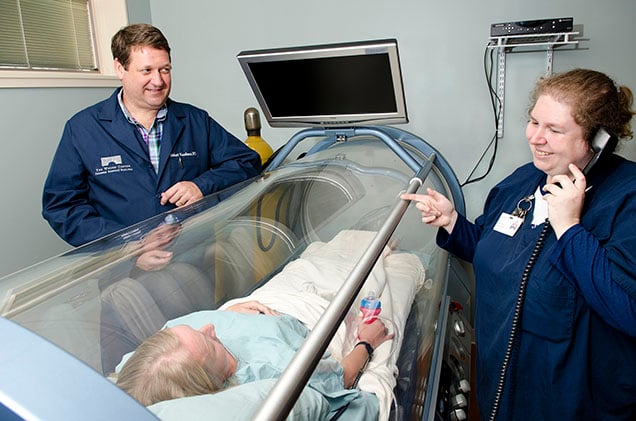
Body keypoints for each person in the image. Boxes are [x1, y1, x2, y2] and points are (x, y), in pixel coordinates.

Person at [401, 68, 636, 420]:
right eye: (534, 122)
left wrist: (570, 228)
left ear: (598, 140)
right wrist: (452, 222)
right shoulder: (523, 181)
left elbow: (627, 309)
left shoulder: (626, 197)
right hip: (501, 379)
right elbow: (494, 252)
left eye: (554, 130)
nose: (536, 138)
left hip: (570, 397)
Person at [42, 23, 261, 247]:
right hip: (120, 263)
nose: (158, 81)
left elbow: (246, 162)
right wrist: (127, 244)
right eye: (146, 70)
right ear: (120, 69)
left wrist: (201, 186)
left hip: (193, 252)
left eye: (164, 69)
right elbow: (61, 206)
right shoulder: (83, 128)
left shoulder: (195, 120)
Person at [115, 300, 394, 409]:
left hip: (259, 305)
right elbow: (338, 381)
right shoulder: (276, 373)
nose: (211, 328)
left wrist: (225, 313)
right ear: (213, 384)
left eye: (200, 329)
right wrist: (366, 344)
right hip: (308, 315)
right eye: (209, 343)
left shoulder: (149, 364)